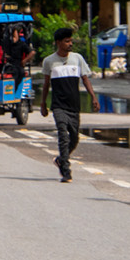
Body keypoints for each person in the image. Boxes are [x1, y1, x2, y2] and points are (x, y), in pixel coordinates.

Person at [40, 27, 99, 183]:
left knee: (74, 138)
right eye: (67, 41)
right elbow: (46, 84)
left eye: (71, 40)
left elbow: (85, 79)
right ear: (58, 43)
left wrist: (93, 97)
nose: (70, 44)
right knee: (63, 136)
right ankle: (66, 171)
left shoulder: (77, 59)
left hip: (74, 105)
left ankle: (61, 159)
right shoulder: (49, 61)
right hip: (58, 105)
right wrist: (43, 104)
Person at [2, 23, 35, 92]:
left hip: (18, 64)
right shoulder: (7, 42)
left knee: (20, 72)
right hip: (8, 64)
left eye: (15, 34)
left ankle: (15, 90)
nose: (14, 37)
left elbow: (32, 52)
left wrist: (25, 61)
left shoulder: (21, 44)